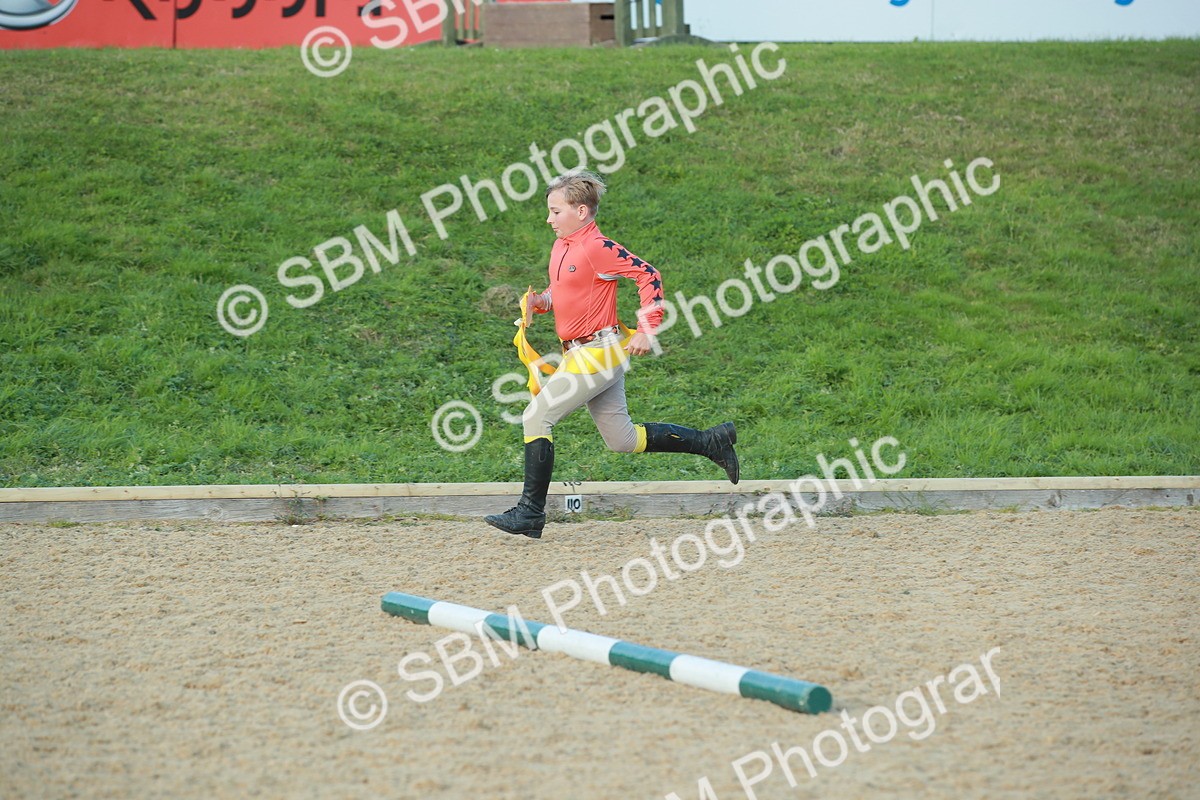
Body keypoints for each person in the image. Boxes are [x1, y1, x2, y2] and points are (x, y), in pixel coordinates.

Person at [485, 171, 739, 539]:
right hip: (582, 353)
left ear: (582, 211)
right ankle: (711, 441)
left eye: (556, 212)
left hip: (599, 352)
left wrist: (648, 327)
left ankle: (530, 513)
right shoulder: (563, 246)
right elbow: (567, 290)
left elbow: (648, 274)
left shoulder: (597, 247)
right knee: (622, 440)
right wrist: (542, 302)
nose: (549, 219)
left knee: (536, 418)